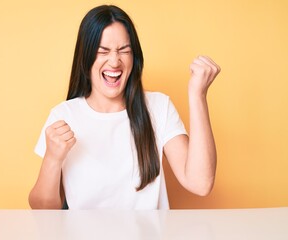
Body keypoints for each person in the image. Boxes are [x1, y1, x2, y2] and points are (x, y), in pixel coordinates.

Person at [29, 5, 220, 210]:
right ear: (85, 57)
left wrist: (198, 95)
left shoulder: (159, 106)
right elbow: (43, 210)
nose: (114, 61)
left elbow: (200, 183)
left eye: (124, 51)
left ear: (134, 57)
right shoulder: (63, 115)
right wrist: (52, 158)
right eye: (103, 51)